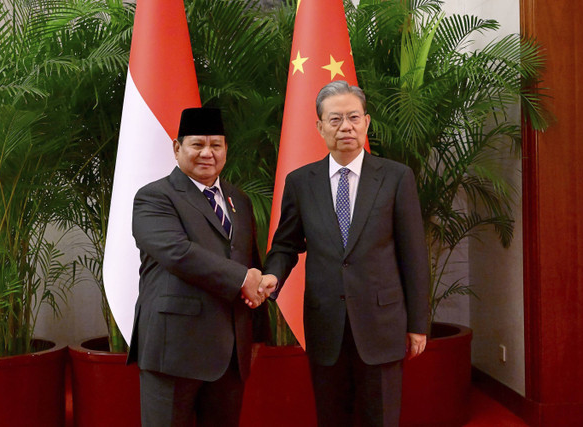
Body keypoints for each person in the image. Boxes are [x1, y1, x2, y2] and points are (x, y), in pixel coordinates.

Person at [264, 81, 430, 426]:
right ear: (320, 126)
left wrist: (417, 324)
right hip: (326, 323)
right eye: (335, 119)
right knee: (332, 417)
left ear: (367, 122)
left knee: (380, 417)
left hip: (382, 323)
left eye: (353, 117)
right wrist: (271, 276)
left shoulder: (396, 178)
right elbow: (285, 244)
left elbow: (413, 255)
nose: (346, 127)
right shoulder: (300, 182)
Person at [128, 107, 276, 426]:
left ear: (225, 149)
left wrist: (257, 334)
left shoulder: (240, 200)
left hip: (230, 354)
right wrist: (242, 279)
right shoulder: (154, 197)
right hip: (174, 352)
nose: (207, 153)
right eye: (197, 144)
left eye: (216, 145)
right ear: (177, 148)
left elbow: (250, 262)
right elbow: (179, 253)